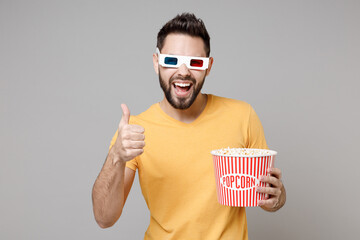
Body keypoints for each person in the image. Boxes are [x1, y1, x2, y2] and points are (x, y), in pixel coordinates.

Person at [92, 13, 286, 239]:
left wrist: (277, 197)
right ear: (157, 63)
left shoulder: (242, 116)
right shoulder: (134, 131)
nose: (183, 72)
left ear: (209, 66)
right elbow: (104, 218)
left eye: (195, 62)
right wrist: (116, 156)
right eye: (171, 61)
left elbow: (268, 198)